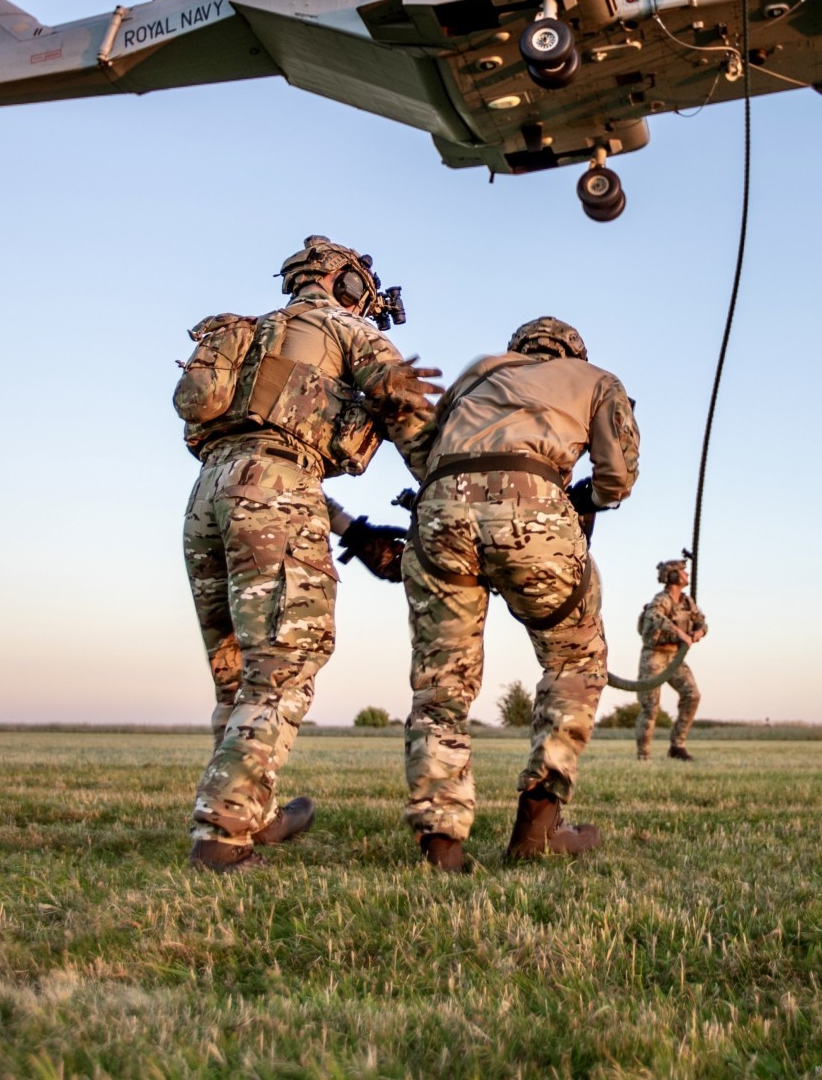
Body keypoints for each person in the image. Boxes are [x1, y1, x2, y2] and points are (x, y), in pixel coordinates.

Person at [178, 236, 436, 872]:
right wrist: (453, 493)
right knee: (287, 659)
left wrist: (351, 531)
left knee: (237, 670)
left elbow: (266, 456)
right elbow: (411, 424)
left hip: (209, 493)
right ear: (347, 283)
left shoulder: (248, 334)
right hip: (276, 489)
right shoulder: (347, 328)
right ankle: (223, 833)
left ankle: (256, 813)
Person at [400, 316, 639, 870]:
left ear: (520, 348)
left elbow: (425, 450)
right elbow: (618, 475)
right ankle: (539, 826)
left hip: (440, 508)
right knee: (575, 657)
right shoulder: (596, 378)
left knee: (442, 682)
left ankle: (442, 845)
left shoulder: (478, 372)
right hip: (532, 502)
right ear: (571, 351)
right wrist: (588, 499)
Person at [635, 557, 708, 762]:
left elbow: (703, 623)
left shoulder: (687, 602)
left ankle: (677, 746)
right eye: (683, 572)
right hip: (654, 656)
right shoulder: (662, 599)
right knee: (650, 707)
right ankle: (643, 756)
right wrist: (679, 633)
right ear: (674, 576)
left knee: (692, 695)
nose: (687, 575)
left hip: (675, 657)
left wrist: (698, 633)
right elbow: (654, 616)